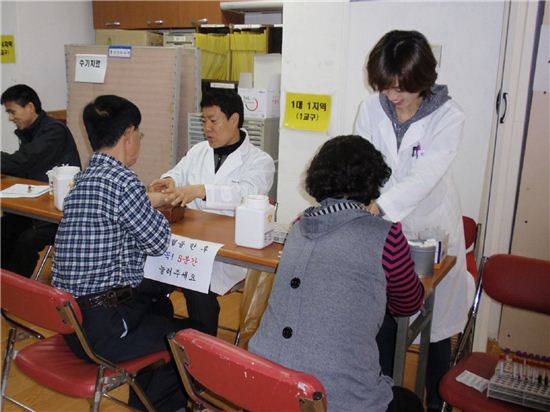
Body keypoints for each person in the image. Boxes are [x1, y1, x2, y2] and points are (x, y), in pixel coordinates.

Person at [249, 135, 425, 412]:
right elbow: (407, 304)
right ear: (373, 180)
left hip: (262, 380)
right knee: (409, 403)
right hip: (326, 396)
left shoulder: (299, 225)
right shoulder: (387, 236)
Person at [51, 95, 204, 411]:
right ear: (129, 134)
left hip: (72, 324)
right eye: (139, 134)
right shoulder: (123, 181)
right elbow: (158, 242)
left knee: (159, 305)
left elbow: (114, 208)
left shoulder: (84, 178)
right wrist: (152, 204)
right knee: (195, 336)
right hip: (102, 330)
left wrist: (149, 200)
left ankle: (145, 402)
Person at [355, 30, 475, 412]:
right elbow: (362, 161)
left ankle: (436, 404)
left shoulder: (448, 117)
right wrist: (356, 201)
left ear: (422, 79)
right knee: (385, 321)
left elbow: (425, 175)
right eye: (386, 86)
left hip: (429, 230)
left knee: (434, 334)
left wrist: (378, 207)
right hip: (383, 232)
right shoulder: (372, 108)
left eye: (400, 88)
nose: (392, 96)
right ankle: (383, 401)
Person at [149, 88, 275, 336]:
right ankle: (159, 336)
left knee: (198, 288)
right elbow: (178, 172)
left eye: (213, 121)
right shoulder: (199, 151)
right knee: (147, 278)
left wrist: (202, 190)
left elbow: (245, 194)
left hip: (228, 251)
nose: (207, 127)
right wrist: (168, 180)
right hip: (188, 242)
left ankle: (201, 354)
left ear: (234, 119)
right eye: (203, 120)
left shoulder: (260, 161)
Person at [1, 84, 81, 278]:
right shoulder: (31, 132)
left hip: (61, 214)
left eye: (12, 112)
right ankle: (5, 284)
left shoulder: (54, 131)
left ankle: (16, 291)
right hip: (38, 207)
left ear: (29, 107)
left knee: (26, 240)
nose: (10, 118)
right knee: (4, 230)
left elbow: (22, 162)